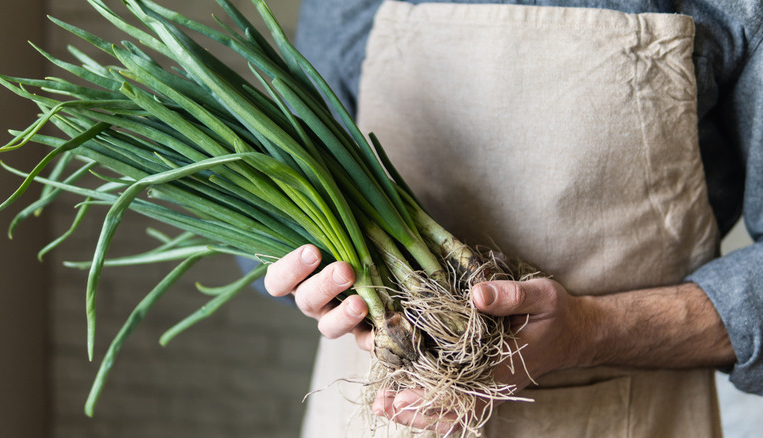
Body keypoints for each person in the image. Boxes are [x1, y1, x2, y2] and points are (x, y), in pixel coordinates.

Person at [264, 1, 763, 436]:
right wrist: (320, 280)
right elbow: (287, 180)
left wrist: (590, 332)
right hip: (388, 405)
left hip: (627, 417)